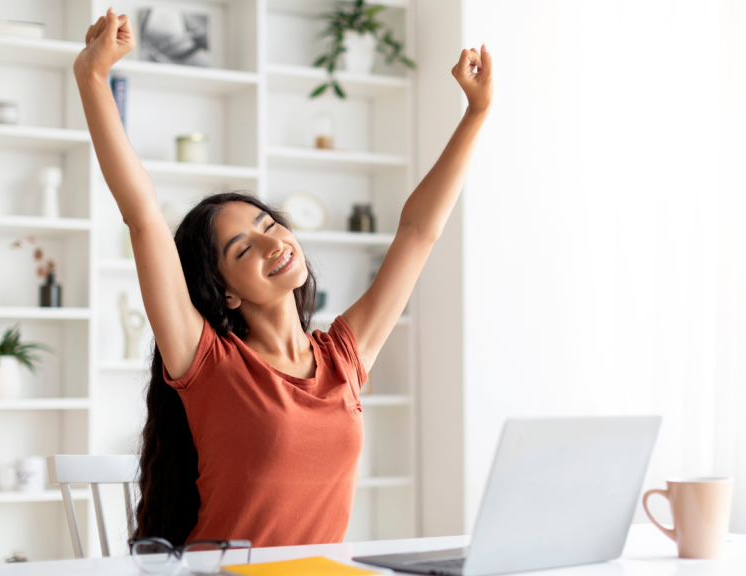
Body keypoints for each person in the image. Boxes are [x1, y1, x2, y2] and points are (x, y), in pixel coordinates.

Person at [74, 8, 492, 547]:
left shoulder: (342, 358)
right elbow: (142, 215)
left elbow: (417, 231)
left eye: (270, 225)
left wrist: (475, 112)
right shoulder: (208, 363)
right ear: (222, 289)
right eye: (244, 247)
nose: (275, 243)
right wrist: (93, 77)